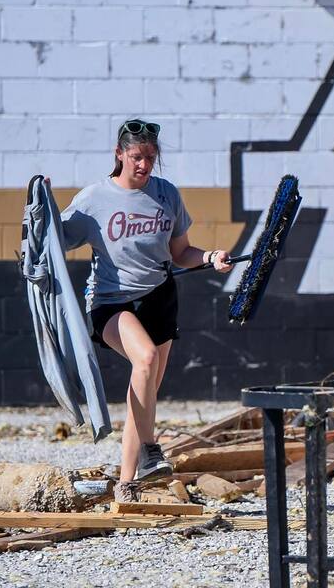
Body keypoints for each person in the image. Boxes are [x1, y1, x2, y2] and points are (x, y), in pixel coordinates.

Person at [59, 119, 232, 503]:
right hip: (112, 302)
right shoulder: (93, 199)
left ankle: (126, 483)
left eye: (150, 157)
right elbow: (53, 241)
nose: (144, 165)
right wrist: (34, 228)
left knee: (147, 389)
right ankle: (152, 450)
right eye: (137, 156)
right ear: (119, 154)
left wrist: (209, 257)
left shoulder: (166, 195)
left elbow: (180, 253)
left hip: (160, 297)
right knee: (146, 358)